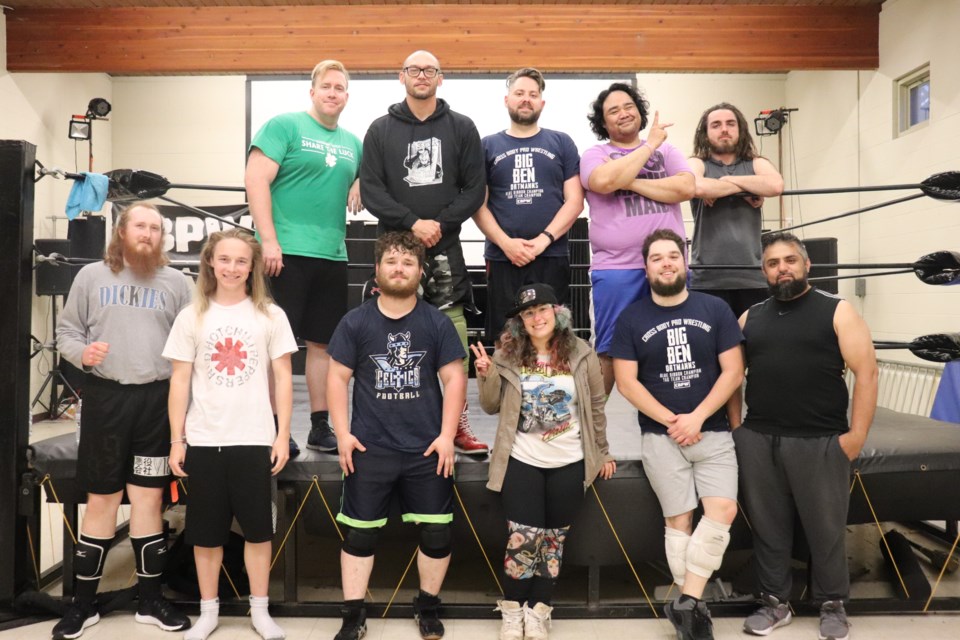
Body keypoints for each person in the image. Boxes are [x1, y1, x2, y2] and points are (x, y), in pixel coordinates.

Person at [53, 202, 193, 639]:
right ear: (122, 231)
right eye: (141, 225)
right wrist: (82, 354)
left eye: (155, 227)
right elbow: (67, 333)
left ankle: (150, 602)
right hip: (106, 399)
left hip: (156, 402)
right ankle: (83, 604)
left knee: (149, 501)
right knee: (102, 501)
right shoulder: (91, 277)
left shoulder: (177, 282)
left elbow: (192, 344)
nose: (148, 233)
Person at [735, 232, 878, 640]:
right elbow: (732, 377)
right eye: (773, 263)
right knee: (768, 527)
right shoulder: (751, 317)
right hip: (761, 438)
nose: (782, 268)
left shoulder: (838, 310)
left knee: (825, 528)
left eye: (790, 260)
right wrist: (737, 429)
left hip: (820, 440)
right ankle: (774, 603)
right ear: (764, 271)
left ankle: (833, 603)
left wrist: (856, 436)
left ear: (806, 264)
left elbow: (867, 373)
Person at [327, 231, 467, 640]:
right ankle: (353, 616)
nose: (399, 268)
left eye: (408, 263)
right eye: (392, 261)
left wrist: (446, 436)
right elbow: (337, 378)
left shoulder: (435, 322)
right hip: (370, 447)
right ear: (377, 269)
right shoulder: (356, 321)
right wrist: (341, 435)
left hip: (426, 447)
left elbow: (455, 379)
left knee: (437, 532)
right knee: (359, 532)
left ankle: (426, 607)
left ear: (420, 272)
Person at [163, 229, 298, 640]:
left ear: (253, 266)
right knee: (205, 534)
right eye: (225, 259)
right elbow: (179, 382)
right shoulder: (192, 316)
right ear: (210, 263)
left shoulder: (270, 315)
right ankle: (208, 611)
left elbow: (284, 379)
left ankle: (259, 610)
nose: (232, 268)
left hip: (255, 438)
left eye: (242, 261)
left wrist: (281, 435)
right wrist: (177, 439)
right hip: (205, 440)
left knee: (259, 531)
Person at [610, 229, 744, 640]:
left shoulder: (715, 308)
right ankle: (695, 608)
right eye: (657, 258)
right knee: (679, 520)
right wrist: (674, 420)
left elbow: (733, 372)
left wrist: (697, 418)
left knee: (723, 511)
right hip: (659, 436)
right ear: (646, 267)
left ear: (684, 262)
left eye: (673, 256)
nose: (666, 263)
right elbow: (627, 383)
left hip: (713, 432)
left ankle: (685, 601)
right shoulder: (632, 318)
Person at [360, 49, 489, 456]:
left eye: (429, 70)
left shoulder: (462, 127)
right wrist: (413, 223)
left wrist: (440, 225)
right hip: (396, 249)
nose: (421, 75)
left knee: (452, 332)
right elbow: (371, 190)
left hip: (446, 247)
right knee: (388, 337)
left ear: (440, 77)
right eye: (414, 70)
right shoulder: (380, 129)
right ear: (402, 76)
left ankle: (458, 425)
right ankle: (388, 424)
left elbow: (475, 189)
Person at [472, 283, 615, 640]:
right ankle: (513, 610)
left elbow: (596, 407)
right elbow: (490, 406)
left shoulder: (581, 353)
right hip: (522, 459)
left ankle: (538, 612)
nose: (536, 318)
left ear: (557, 312)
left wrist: (603, 451)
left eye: (542, 310)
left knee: (553, 542)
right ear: (521, 321)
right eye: (528, 313)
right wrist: (485, 372)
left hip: (570, 461)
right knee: (524, 540)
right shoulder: (507, 354)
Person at [245, 59, 363, 456]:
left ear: (347, 96)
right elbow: (255, 178)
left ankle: (318, 426)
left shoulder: (353, 142)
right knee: (275, 346)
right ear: (312, 91)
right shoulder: (285, 126)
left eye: (340, 88)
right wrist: (268, 241)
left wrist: (360, 182)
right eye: (327, 86)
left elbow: (367, 172)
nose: (333, 93)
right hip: (285, 253)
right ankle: (273, 429)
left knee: (323, 346)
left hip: (331, 254)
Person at [580, 82, 695, 395]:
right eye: (613, 111)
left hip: (669, 266)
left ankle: (676, 425)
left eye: (628, 106)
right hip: (617, 269)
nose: (623, 113)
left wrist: (629, 182)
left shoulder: (668, 151)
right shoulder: (596, 153)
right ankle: (591, 438)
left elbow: (685, 188)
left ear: (639, 111)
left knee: (676, 343)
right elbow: (603, 182)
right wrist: (649, 146)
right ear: (603, 123)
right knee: (607, 351)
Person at [473, 68, 584, 341]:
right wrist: (506, 243)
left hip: (551, 255)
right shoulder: (487, 145)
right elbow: (478, 205)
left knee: (554, 336)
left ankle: (554, 386)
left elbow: (575, 200)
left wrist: (544, 240)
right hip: (503, 259)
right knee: (506, 336)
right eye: (519, 93)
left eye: (533, 95)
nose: (526, 99)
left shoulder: (561, 142)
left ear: (542, 103)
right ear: (507, 100)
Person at [688, 102, 784, 317]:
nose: (724, 129)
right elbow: (695, 185)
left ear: (740, 129)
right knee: (712, 347)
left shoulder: (756, 163)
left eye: (730, 123)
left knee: (754, 344)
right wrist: (746, 187)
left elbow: (775, 185)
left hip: (751, 277)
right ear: (705, 133)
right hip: (708, 279)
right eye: (716, 125)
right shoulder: (697, 163)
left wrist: (726, 182)